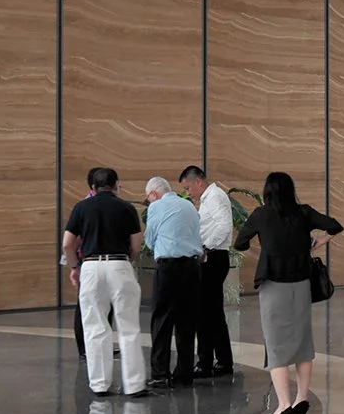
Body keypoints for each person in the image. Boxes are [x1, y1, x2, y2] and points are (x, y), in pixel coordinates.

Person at [235, 170, 343, 414]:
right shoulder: (303, 212)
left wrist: (261, 254)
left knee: (276, 345)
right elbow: (334, 226)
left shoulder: (261, 215)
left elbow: (240, 243)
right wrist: (318, 243)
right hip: (302, 285)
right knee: (303, 343)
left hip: (274, 288)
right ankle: (301, 399)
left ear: (267, 192)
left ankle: (283, 404)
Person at [62, 166, 147, 397]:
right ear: (116, 185)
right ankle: (134, 385)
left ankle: (99, 384)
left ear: (93, 187)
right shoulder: (127, 208)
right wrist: (124, 261)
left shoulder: (81, 207)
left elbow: (67, 244)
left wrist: (74, 268)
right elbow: (136, 245)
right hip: (119, 264)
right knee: (128, 326)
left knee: (95, 326)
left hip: (90, 266)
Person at [141, 175, 203, 386]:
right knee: (187, 319)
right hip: (192, 267)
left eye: (148, 197)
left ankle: (160, 374)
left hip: (168, 268)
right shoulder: (189, 206)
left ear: (154, 193)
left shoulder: (156, 207)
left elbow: (150, 240)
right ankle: (184, 373)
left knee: (162, 319)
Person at [180, 165, 237, 381]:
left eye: (188, 188)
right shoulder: (208, 198)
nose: (188, 193)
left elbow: (224, 226)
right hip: (212, 258)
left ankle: (207, 363)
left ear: (198, 182)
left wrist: (206, 248)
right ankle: (221, 360)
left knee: (205, 313)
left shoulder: (215, 197)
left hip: (213, 259)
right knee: (211, 312)